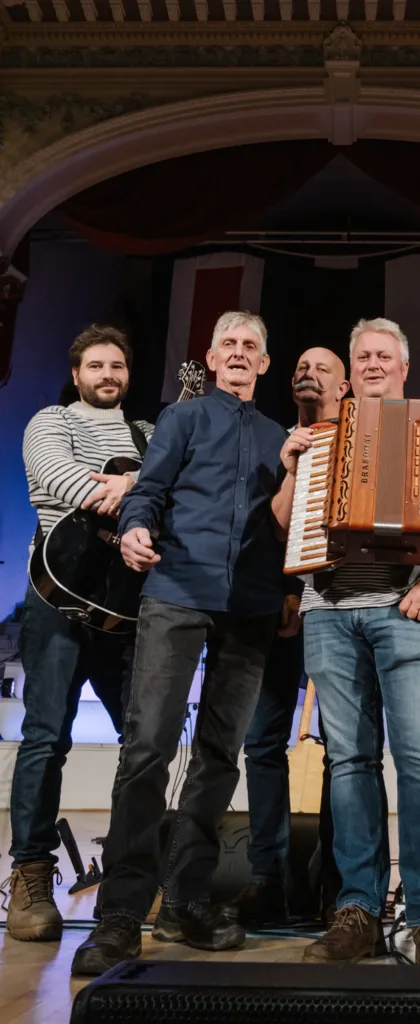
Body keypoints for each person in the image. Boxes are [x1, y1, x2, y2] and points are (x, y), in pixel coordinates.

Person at [71, 311, 289, 976]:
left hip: (249, 607)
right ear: (211, 356)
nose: (240, 354)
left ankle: (188, 898)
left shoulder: (282, 437)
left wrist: (286, 589)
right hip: (176, 592)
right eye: (230, 344)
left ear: (265, 363)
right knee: (147, 748)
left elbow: (288, 526)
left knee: (221, 755)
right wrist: (136, 529)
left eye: (253, 345)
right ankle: (118, 914)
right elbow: (151, 489)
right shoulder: (184, 418)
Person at [273, 318, 420, 965]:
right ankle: (357, 910)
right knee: (348, 762)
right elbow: (284, 523)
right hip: (329, 611)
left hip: (409, 609)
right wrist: (289, 470)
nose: (371, 364)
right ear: (351, 366)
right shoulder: (316, 435)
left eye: (382, 356)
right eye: (361, 356)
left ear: (403, 364)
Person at [2, 325, 153, 943]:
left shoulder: (146, 434)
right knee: (45, 738)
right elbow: (61, 481)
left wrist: (142, 481)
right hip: (56, 603)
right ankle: (31, 874)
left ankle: (131, 875)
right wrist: (128, 485)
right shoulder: (49, 422)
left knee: (143, 746)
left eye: (117, 364)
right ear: (76, 372)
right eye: (96, 365)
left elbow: (177, 489)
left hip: (123, 611)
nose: (107, 374)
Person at [232, 347, 349, 926]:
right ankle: (267, 877)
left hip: (340, 610)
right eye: (302, 366)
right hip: (275, 610)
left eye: (324, 368)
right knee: (261, 741)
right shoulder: (273, 441)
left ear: (345, 384)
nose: (310, 373)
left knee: (346, 749)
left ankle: (336, 880)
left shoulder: (360, 440)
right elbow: (265, 527)